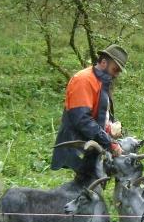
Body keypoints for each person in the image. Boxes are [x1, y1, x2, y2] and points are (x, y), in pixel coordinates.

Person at [51, 44, 128, 181]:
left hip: (93, 141)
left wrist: (110, 126)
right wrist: (109, 142)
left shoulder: (102, 81)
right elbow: (82, 120)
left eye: (119, 71)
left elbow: (99, 113)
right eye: (115, 69)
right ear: (104, 62)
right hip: (78, 144)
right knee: (87, 184)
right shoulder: (83, 80)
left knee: (94, 183)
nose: (116, 74)